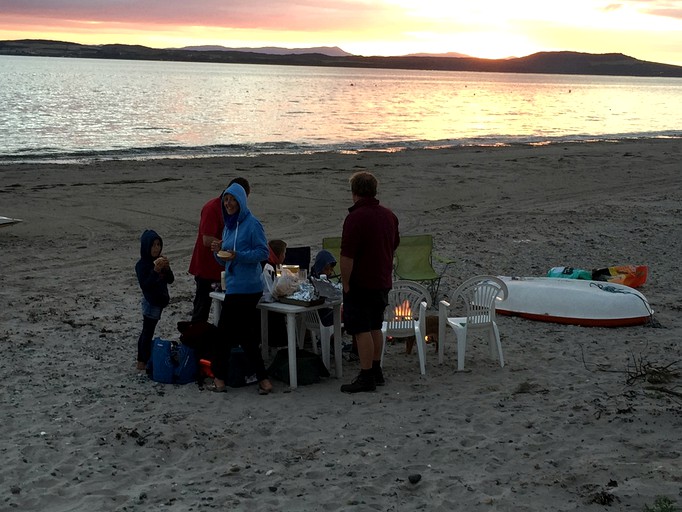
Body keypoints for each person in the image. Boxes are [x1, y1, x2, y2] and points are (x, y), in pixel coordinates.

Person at [339, 171, 399, 393]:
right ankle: (375, 370)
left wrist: (346, 284)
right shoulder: (389, 215)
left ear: (354, 193)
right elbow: (394, 244)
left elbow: (347, 257)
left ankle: (366, 375)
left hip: (362, 282)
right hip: (382, 280)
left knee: (361, 329)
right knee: (375, 326)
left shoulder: (355, 218)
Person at [212, 182, 273, 394]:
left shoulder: (252, 224)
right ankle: (263, 380)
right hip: (233, 285)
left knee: (224, 334)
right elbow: (224, 261)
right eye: (226, 200)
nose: (228, 203)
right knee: (245, 335)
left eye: (232, 199)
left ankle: (219, 377)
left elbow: (263, 253)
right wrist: (217, 251)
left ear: (241, 201)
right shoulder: (228, 226)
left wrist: (240, 256)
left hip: (248, 287)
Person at [188, 177, 250, 323]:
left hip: (224, 267)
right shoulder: (212, 208)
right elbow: (206, 239)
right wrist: (228, 244)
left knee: (227, 308)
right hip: (206, 268)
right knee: (201, 308)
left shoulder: (236, 210)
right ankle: (195, 342)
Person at [135, 229, 175, 370]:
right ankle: (142, 361)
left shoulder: (160, 261)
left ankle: (143, 359)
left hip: (159, 301)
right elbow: (145, 285)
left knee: (148, 331)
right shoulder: (142, 265)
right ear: (146, 247)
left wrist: (167, 268)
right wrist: (155, 271)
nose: (156, 248)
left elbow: (170, 280)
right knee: (147, 331)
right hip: (150, 302)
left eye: (158, 245)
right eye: (153, 245)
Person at [310, 249, 337, 327]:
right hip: (321, 317)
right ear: (319, 267)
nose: (329, 272)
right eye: (326, 269)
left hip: (320, 315)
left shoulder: (313, 277)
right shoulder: (317, 282)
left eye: (330, 269)